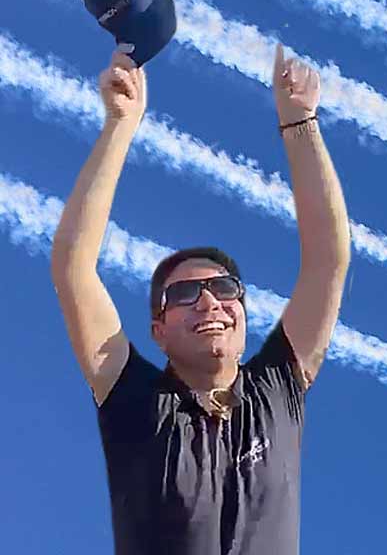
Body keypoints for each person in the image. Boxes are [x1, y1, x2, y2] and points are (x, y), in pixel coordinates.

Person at [49, 43, 352, 554]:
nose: (210, 303)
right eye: (186, 294)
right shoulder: (137, 401)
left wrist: (301, 124)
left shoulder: (277, 388)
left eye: (224, 289)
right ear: (158, 330)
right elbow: (74, 269)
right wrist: (119, 125)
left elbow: (328, 259)